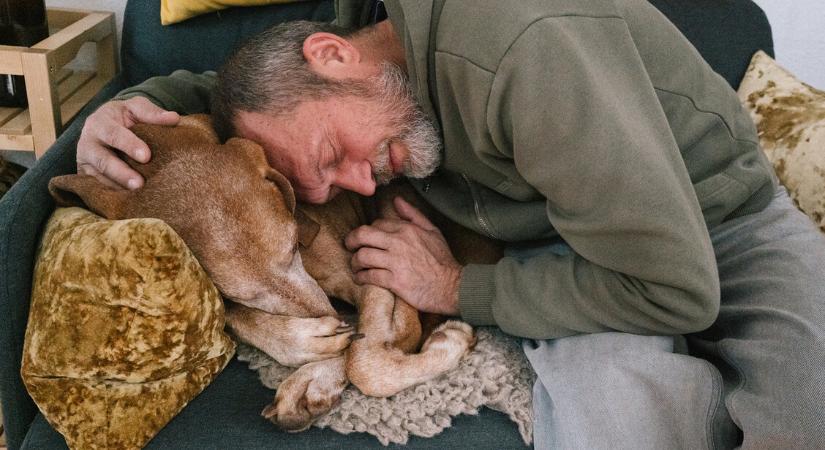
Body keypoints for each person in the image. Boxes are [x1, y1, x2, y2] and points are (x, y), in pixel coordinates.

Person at [76, 0, 825, 448]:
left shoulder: (526, 49)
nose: (361, 183)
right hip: (558, 247)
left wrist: (457, 288)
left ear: (333, 57)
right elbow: (239, 89)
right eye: (330, 180)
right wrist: (128, 108)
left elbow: (672, 287)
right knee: (615, 423)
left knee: (802, 420)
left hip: (721, 223)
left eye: (335, 156)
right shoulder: (365, 38)